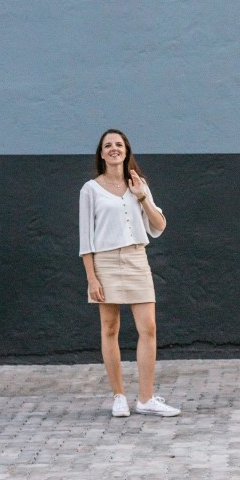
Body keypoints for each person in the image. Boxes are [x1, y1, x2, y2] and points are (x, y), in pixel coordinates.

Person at [79, 128, 180, 418]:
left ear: (126, 150)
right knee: (110, 328)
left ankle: (146, 399)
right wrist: (92, 278)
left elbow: (159, 225)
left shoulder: (139, 183)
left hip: (137, 259)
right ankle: (119, 396)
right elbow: (86, 239)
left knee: (148, 327)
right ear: (101, 153)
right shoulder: (90, 189)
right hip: (106, 261)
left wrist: (142, 197)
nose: (114, 149)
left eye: (119, 145)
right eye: (108, 145)